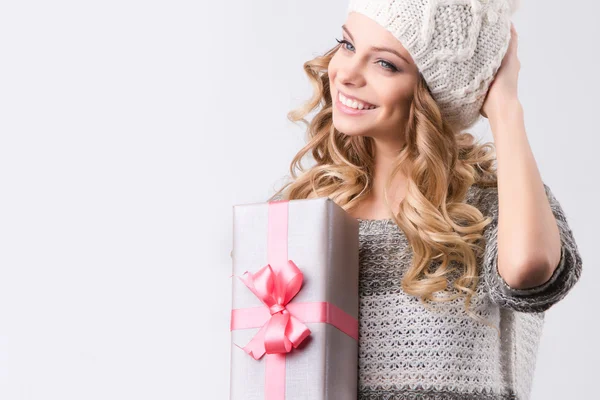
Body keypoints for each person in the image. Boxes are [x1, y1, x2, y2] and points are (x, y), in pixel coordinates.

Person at [268, 0, 583, 399]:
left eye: (385, 64)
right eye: (346, 45)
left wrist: (505, 107)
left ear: (437, 90)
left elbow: (529, 273)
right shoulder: (304, 209)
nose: (346, 74)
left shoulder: (491, 205)